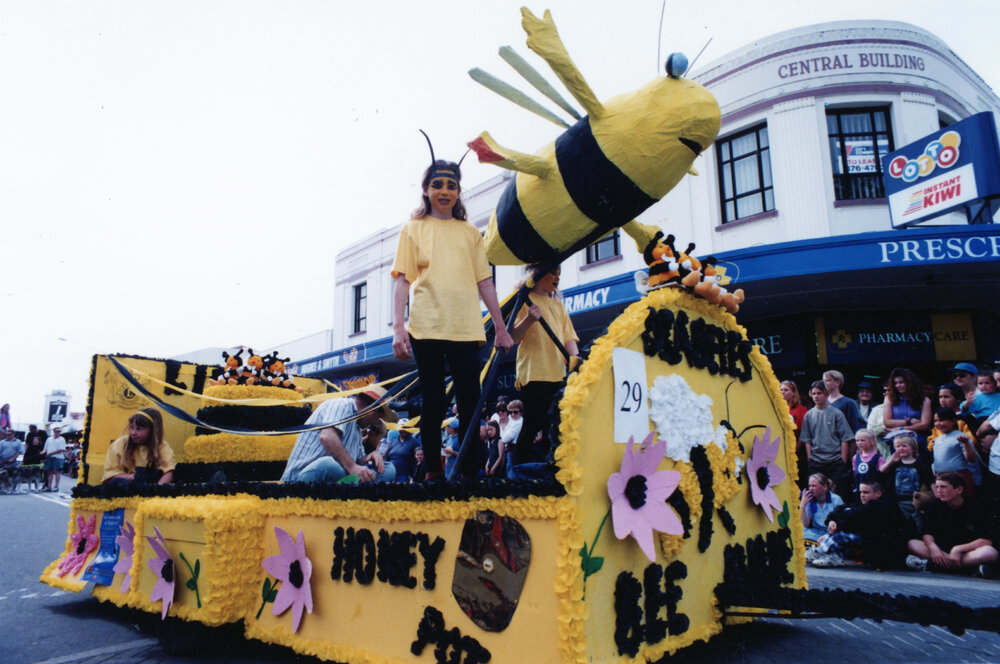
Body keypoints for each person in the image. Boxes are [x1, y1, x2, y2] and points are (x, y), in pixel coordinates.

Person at [391, 158, 514, 479]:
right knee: (432, 401)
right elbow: (402, 279)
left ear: (459, 191)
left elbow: (484, 281)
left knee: (471, 402)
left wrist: (501, 327)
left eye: (451, 185)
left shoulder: (470, 232)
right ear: (425, 190)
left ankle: (470, 473)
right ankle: (433, 472)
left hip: (466, 327)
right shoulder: (412, 228)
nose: (444, 191)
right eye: (438, 184)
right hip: (426, 326)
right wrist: (397, 328)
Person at [510, 263, 579, 465]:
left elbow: (569, 337)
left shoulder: (558, 305)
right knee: (533, 421)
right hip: (534, 371)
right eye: (552, 273)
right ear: (537, 273)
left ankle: (553, 466)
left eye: (559, 274)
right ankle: (518, 466)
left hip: (558, 372)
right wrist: (530, 319)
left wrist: (576, 358)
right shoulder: (523, 300)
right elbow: (512, 335)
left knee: (554, 424)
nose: (557, 278)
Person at [281, 387, 396, 484]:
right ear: (374, 411)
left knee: (388, 469)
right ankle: (352, 491)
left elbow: (356, 462)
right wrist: (352, 467)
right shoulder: (341, 404)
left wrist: (371, 456)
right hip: (298, 479)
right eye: (378, 417)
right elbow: (326, 436)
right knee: (329, 465)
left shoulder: (356, 428)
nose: (374, 422)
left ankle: (351, 491)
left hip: (335, 478)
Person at [906, 471, 998, 575]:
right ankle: (964, 568)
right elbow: (927, 533)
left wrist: (958, 549)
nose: (939, 491)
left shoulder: (975, 506)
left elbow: (986, 541)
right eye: (937, 487)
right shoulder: (935, 504)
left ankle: (937, 566)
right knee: (913, 544)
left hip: (965, 552)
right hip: (942, 552)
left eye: (943, 487)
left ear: (959, 489)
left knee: (990, 552)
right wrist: (933, 549)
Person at [822, 480, 914, 570]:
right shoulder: (863, 503)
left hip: (886, 551)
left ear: (878, 493)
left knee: (841, 535)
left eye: (866, 492)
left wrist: (836, 522)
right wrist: (832, 520)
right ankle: (825, 553)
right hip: (872, 547)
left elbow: (852, 516)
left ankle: (827, 554)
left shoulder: (882, 506)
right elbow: (842, 509)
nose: (862, 495)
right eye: (860, 492)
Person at [800, 381, 854, 495]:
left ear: (826, 394)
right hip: (816, 461)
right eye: (813, 394)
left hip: (835, 461)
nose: (816, 396)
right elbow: (807, 440)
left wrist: (843, 461)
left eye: (819, 393)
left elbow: (845, 438)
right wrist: (810, 459)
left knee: (837, 493)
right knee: (816, 494)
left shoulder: (836, 413)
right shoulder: (808, 415)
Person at [101, 408, 176, 486]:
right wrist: (130, 477)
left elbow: (169, 472)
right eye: (132, 428)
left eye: (139, 429)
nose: (133, 433)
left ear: (153, 431)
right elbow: (110, 474)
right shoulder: (121, 444)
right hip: (125, 487)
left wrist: (157, 489)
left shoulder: (162, 446)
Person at [879, 432, 932, 525]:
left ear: (913, 449)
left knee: (918, 522)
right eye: (898, 446)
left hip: (915, 500)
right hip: (899, 500)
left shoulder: (920, 464)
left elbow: (929, 480)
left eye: (904, 446)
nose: (900, 448)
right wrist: (891, 461)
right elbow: (882, 470)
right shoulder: (895, 463)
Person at [928, 407, 979, 496]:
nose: (938, 424)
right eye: (935, 421)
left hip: (958, 478)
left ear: (953, 421)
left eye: (941, 420)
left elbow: (972, 459)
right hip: (941, 479)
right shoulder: (936, 440)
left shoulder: (961, 437)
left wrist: (966, 444)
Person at [882, 367, 932, 452]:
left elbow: (925, 425)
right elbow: (887, 422)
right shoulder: (889, 398)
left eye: (901, 382)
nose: (897, 385)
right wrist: (910, 421)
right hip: (897, 442)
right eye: (895, 383)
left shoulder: (925, 400)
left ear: (910, 383)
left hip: (918, 442)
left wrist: (900, 428)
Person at [799, 473, 844, 543]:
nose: (810, 488)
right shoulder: (810, 501)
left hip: (833, 533)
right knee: (801, 532)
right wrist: (803, 506)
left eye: (814, 486)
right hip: (817, 532)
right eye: (809, 486)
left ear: (825, 487)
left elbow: (841, 523)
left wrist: (828, 535)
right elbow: (805, 525)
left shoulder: (836, 500)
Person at [780, 380, 809, 486]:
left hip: (798, 454)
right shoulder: (778, 409)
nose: (782, 392)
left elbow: (804, 433)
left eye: (786, 390)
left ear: (793, 393)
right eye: (781, 390)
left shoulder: (801, 410)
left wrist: (796, 448)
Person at [851, 428, 883, 502]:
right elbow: (854, 473)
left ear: (872, 442)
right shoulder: (856, 457)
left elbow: (882, 474)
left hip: (873, 492)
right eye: (857, 440)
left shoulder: (878, 458)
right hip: (860, 491)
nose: (859, 443)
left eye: (863, 440)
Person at [500, 399, 524, 473]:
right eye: (510, 412)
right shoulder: (511, 419)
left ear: (520, 412)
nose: (512, 414)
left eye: (515, 412)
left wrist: (504, 436)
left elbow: (504, 438)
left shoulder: (519, 423)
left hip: (513, 449)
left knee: (511, 471)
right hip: (508, 448)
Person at [42, 426, 67, 492]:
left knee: (56, 471)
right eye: (57, 431)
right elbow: (45, 448)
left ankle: (56, 486)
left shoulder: (62, 439)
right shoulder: (49, 439)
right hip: (49, 457)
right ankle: (49, 486)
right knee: (49, 472)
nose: (58, 432)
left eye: (59, 431)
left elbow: (61, 449)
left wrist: (50, 453)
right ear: (54, 431)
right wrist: (42, 453)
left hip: (58, 457)